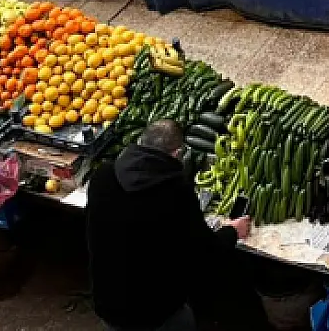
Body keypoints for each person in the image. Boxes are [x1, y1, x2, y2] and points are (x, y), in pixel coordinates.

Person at [86, 119, 259, 331]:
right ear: (177, 153)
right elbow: (205, 254)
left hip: (107, 300)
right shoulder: (175, 192)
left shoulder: (102, 175)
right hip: (155, 311)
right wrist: (232, 231)